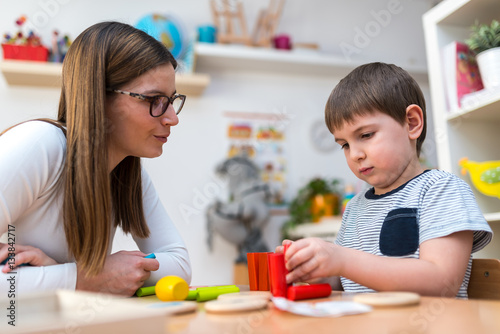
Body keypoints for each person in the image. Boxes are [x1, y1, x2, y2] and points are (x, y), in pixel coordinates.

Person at [0, 21, 191, 297]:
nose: (172, 117)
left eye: (172, 100)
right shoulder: (40, 145)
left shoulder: (127, 171)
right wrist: (82, 279)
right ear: (99, 97)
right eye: (154, 99)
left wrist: (69, 273)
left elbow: (179, 266)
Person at [278, 62, 492, 298]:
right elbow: (345, 281)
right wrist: (317, 269)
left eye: (366, 135)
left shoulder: (441, 190)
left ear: (412, 122)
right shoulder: (355, 207)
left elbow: (442, 282)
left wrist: (341, 259)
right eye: (345, 145)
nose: (355, 154)